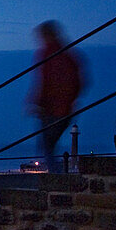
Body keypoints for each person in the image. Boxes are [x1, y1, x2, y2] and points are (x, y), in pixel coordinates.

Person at [27, 20, 83, 172]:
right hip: (66, 109)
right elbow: (79, 81)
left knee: (47, 146)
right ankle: (58, 176)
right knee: (48, 146)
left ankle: (57, 178)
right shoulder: (68, 54)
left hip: (52, 110)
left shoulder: (48, 54)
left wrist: (37, 103)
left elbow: (45, 82)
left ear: (46, 35)